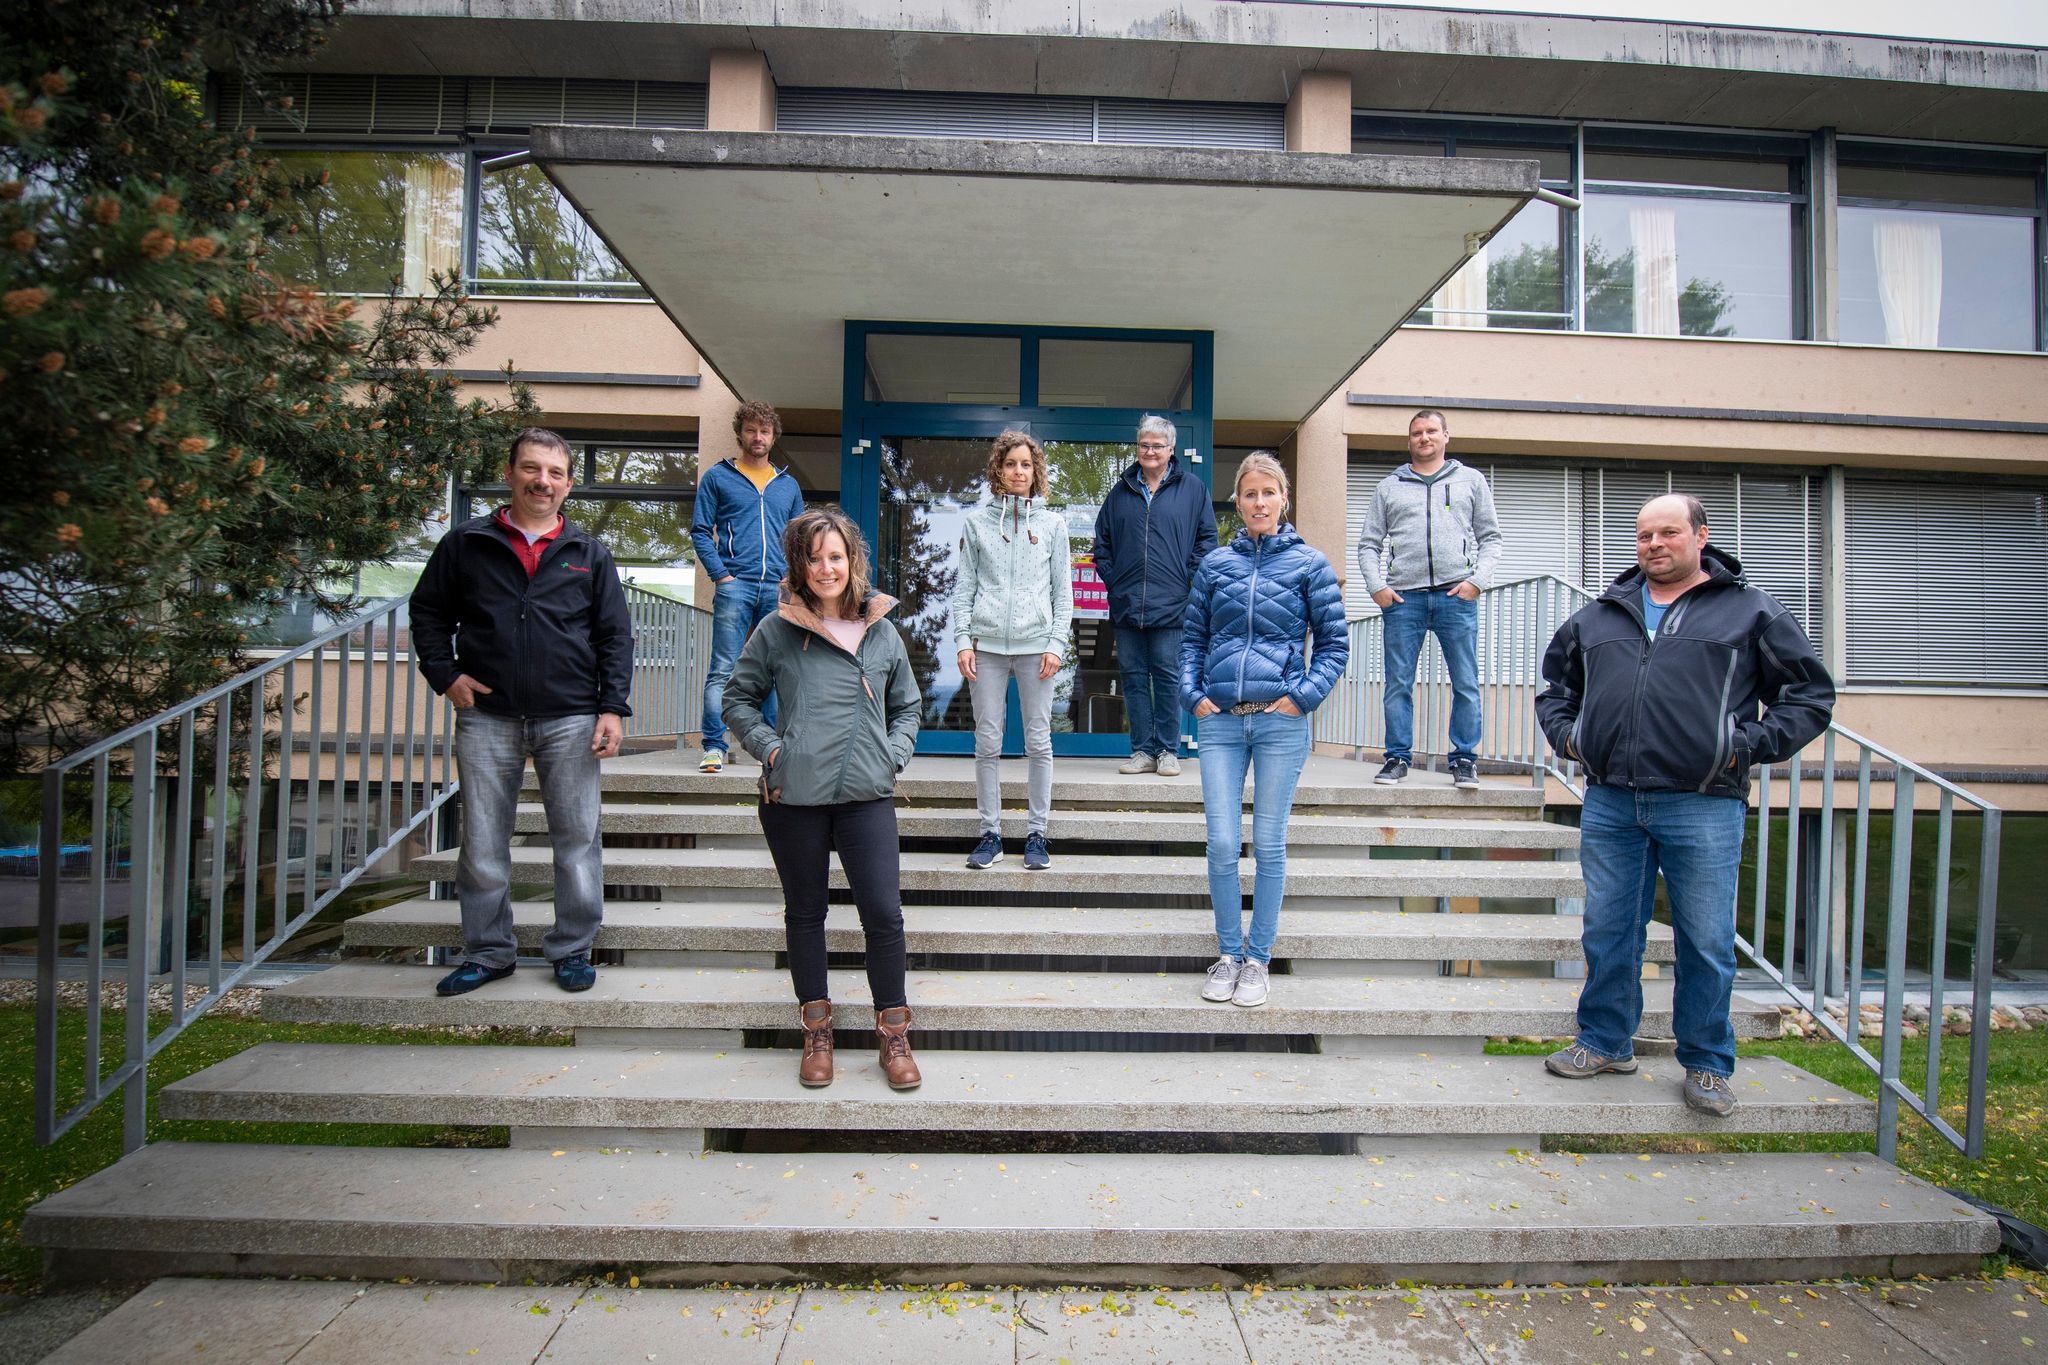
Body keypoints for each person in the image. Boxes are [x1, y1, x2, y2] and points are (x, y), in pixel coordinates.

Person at [1535, 493, 1833, 1117]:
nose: (1654, 545)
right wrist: (1571, 737)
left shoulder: (1748, 611)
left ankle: (1706, 1063)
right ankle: (1606, 1041)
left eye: (1669, 532)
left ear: (1700, 536)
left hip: (1703, 802)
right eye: (1644, 535)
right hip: (1612, 800)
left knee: (1705, 940)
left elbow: (1808, 695)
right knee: (1609, 930)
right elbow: (1556, 689)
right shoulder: (1600, 616)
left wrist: (1741, 745)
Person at [410, 427, 634, 997]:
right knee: (483, 843)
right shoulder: (466, 544)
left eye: (556, 473)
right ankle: (488, 952)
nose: (544, 481)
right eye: (533, 469)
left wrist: (612, 707)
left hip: (571, 717)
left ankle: (573, 949)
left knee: (577, 840)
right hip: (488, 715)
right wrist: (445, 674)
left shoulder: (589, 553)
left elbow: (615, 636)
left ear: (568, 484)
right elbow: (428, 614)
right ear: (510, 474)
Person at [723, 507, 923, 1091]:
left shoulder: (882, 630)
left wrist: (894, 754)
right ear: (799, 565)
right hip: (795, 797)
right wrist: (771, 750)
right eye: (814, 557)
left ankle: (893, 1033)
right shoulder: (776, 630)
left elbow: (908, 705)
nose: (826, 567)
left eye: (835, 556)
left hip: (866, 794)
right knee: (806, 914)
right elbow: (738, 698)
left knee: (883, 916)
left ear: (852, 560)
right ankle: (817, 1031)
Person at [1181, 453, 1347, 1008]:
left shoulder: (1310, 565)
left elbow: (1333, 645)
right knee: (1224, 842)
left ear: (1284, 499)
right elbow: (1191, 642)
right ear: (1239, 501)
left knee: (1269, 845)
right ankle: (1228, 954)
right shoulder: (1215, 567)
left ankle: (1258, 960)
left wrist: (1300, 700)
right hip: (1222, 723)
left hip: (1279, 724)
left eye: (1267, 494)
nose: (1258, 503)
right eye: (1248, 494)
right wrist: (1194, 697)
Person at [1355, 409, 1503, 790]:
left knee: (1466, 681)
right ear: (1409, 441)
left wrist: (1478, 582)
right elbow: (1369, 543)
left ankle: (1465, 760)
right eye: (1417, 433)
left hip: (1457, 596)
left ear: (1446, 436)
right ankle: (1397, 758)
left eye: (1431, 431)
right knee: (1398, 683)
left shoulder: (1470, 481)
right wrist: (1377, 588)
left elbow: (1491, 538)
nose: (1424, 438)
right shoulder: (1389, 486)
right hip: (1404, 600)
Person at [950, 430, 1073, 872]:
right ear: (997, 470)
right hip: (986, 650)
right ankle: (991, 834)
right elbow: (964, 590)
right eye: (1010, 464)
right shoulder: (977, 523)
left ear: (1035, 470)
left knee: (1039, 742)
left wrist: (1056, 644)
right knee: (988, 742)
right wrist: (963, 640)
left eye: (1026, 464)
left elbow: (1064, 595)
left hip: (1037, 649)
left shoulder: (1053, 525)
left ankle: (1037, 835)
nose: (1018, 471)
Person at [1094, 414, 1217, 777]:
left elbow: (1207, 543)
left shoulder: (1193, 489)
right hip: (1127, 604)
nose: (1150, 451)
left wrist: (1188, 583)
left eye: (1157, 446)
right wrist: (1115, 583)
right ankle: (1142, 751)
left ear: (1171, 450)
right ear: (1139, 449)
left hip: (1173, 606)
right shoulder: (1120, 493)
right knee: (1132, 677)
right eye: (1144, 445)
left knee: (1167, 676)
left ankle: (1167, 750)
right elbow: (1102, 545)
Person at [691, 399, 805, 774]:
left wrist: (791, 580)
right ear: (740, 433)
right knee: (723, 668)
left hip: (776, 586)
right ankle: (713, 745)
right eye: (752, 430)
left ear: (773, 437)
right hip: (735, 585)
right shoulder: (718, 477)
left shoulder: (786, 485)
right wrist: (721, 575)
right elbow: (700, 531)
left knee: (775, 667)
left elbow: (800, 537)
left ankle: (769, 746)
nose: (758, 437)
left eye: (765, 431)